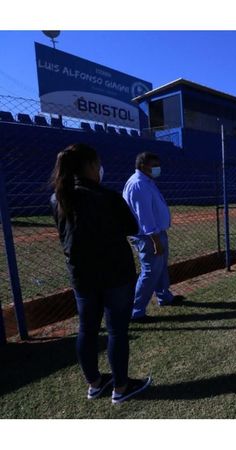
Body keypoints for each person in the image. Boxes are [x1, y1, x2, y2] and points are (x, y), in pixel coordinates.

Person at [50, 143, 151, 404]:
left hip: (82, 277)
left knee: (87, 328)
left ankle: (94, 384)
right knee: (116, 331)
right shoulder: (106, 197)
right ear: (92, 167)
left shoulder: (58, 198)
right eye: (98, 164)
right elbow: (132, 225)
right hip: (114, 275)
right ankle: (121, 388)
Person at [123, 152, 183, 322]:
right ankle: (136, 311)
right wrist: (155, 240)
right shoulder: (138, 185)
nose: (158, 168)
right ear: (143, 166)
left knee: (161, 267)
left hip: (156, 233)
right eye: (154, 165)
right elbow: (145, 217)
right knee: (149, 272)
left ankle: (164, 297)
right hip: (148, 236)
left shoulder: (147, 181)